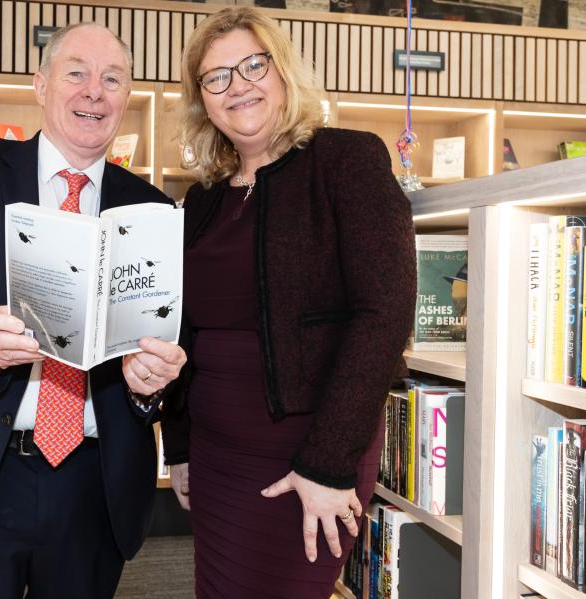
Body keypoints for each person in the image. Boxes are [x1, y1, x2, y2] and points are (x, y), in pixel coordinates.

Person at [0, 22, 186, 599]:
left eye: (112, 78)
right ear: (40, 85)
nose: (93, 91)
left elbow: (167, 337)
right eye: (76, 72)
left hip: (94, 485)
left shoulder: (153, 211)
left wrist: (150, 385)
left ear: (128, 97)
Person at [160, 7, 416, 598]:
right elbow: (181, 331)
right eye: (216, 77)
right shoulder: (201, 202)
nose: (238, 85)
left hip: (306, 456)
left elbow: (385, 314)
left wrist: (327, 463)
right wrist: (180, 446)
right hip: (215, 454)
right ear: (202, 101)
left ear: (283, 72)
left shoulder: (345, 161)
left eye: (254, 64)